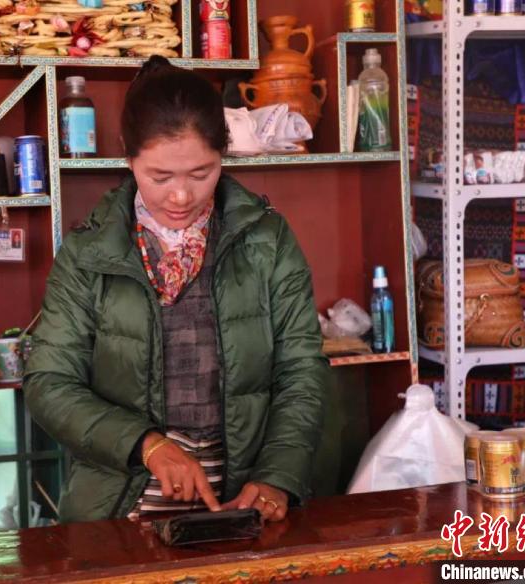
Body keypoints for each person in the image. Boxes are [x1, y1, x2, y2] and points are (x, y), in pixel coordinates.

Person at [24, 56, 328, 524]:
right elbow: (49, 384)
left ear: (224, 154)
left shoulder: (267, 241)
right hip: (119, 510)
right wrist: (146, 445)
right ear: (129, 157)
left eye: (201, 174)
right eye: (160, 177)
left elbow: (301, 369)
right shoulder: (87, 253)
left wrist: (277, 475)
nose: (181, 196)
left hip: (244, 505)